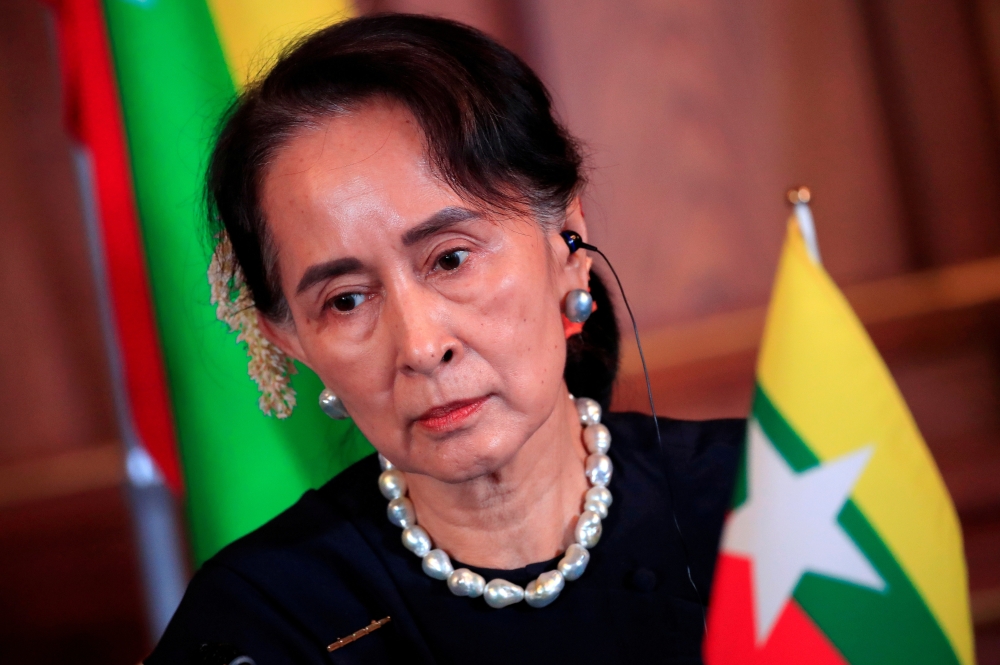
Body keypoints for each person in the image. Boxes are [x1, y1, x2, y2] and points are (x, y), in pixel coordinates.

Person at [146, 14, 743, 665]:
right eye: (345, 300)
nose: (422, 346)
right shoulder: (262, 618)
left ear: (568, 241)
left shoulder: (771, 498)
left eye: (450, 258)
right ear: (287, 338)